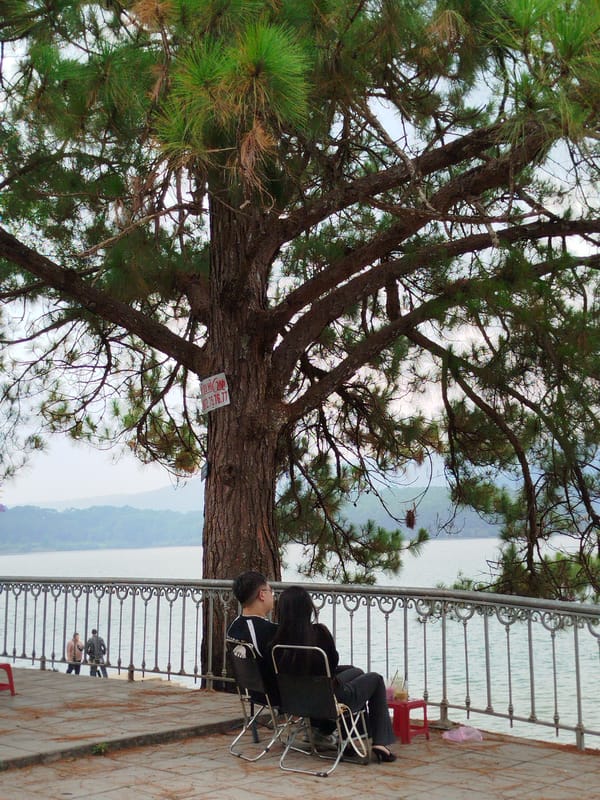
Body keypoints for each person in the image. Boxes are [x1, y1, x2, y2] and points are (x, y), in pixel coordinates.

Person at [268, 585, 397, 762]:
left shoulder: (276, 643)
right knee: (375, 679)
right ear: (308, 608)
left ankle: (346, 738)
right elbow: (333, 662)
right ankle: (380, 743)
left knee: (356, 671)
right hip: (330, 701)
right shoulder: (319, 634)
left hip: (297, 701)